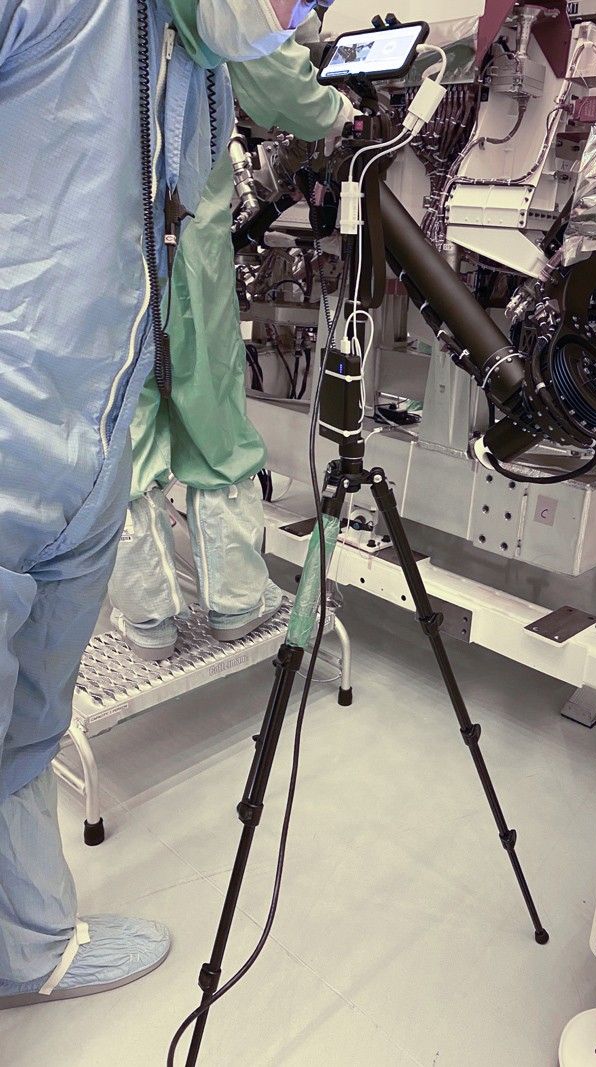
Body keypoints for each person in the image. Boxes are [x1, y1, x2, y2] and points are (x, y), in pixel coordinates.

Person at [0, 0, 307, 1010]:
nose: (290, 11)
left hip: (86, 445)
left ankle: (25, 945)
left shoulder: (183, 50)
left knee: (25, 734)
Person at [109, 17, 353, 659]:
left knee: (121, 425)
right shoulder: (217, 8)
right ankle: (238, 601)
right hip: (181, 232)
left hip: (92, 246)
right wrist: (337, 110)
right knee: (213, 415)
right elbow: (278, 84)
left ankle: (148, 618)